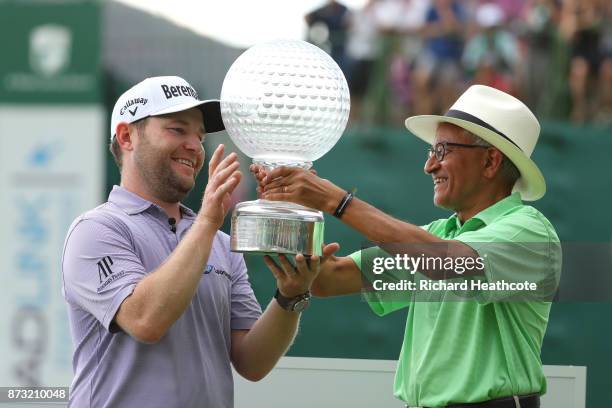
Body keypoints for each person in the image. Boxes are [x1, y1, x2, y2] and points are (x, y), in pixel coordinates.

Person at [254, 85, 560, 407]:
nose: (429, 166)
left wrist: (333, 200)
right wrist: (288, 206)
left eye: (442, 151)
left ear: (490, 161)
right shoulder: (440, 236)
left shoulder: (530, 230)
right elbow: (329, 278)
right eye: (430, 152)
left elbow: (448, 265)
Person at [61, 76, 327, 408]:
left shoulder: (218, 241)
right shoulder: (97, 230)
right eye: (177, 129)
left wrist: (290, 296)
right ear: (127, 136)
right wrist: (208, 220)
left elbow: (252, 362)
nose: (194, 145)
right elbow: (146, 321)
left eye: (200, 136)